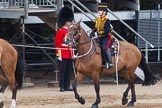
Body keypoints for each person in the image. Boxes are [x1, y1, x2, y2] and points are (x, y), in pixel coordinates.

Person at [55, 6, 74, 92]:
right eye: (69, 21)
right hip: (63, 54)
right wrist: (59, 55)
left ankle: (67, 85)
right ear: (66, 22)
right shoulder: (60, 32)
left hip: (69, 54)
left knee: (68, 71)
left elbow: (72, 44)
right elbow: (58, 45)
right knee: (62, 71)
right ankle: (62, 86)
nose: (70, 23)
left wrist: (73, 54)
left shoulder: (70, 32)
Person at [94, 2, 113, 69]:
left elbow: (107, 30)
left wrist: (99, 33)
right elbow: (96, 28)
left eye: (100, 10)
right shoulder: (97, 20)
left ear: (104, 12)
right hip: (99, 37)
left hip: (106, 37)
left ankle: (109, 62)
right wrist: (93, 32)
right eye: (98, 10)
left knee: (105, 48)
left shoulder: (107, 20)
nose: (99, 12)